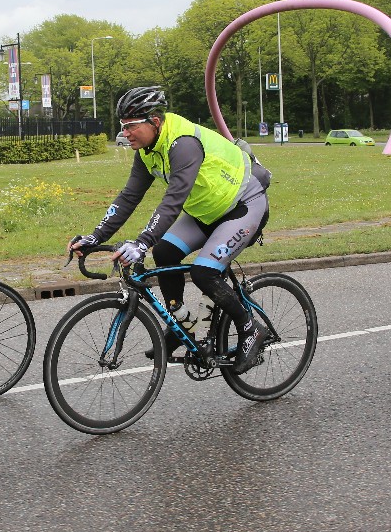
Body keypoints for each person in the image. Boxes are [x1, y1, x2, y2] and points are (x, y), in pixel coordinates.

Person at [68, 87, 271, 373]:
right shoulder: (147, 151)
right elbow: (129, 197)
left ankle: (250, 328)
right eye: (123, 126)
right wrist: (95, 236)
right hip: (206, 212)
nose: (125, 133)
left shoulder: (183, 143)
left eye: (131, 126)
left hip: (243, 206)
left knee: (204, 272)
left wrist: (142, 242)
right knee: (164, 252)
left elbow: (173, 200)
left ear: (154, 121)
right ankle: (182, 324)